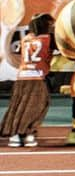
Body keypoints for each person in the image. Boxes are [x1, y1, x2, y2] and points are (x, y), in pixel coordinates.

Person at [1, 14, 54, 147]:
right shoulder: (49, 39)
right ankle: (27, 133)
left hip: (22, 77)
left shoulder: (26, 39)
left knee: (19, 106)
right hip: (36, 77)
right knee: (37, 106)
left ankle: (15, 135)